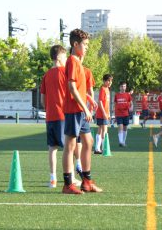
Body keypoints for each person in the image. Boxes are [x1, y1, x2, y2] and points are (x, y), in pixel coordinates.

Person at [62, 29, 102, 194]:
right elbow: (71, 88)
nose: (87, 47)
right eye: (84, 44)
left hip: (81, 110)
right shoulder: (71, 61)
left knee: (88, 142)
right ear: (75, 44)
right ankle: (68, 184)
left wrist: (89, 98)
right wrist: (85, 107)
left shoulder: (78, 62)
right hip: (74, 110)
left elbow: (78, 87)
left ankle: (87, 181)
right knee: (70, 146)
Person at [40, 45, 82, 188]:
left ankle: (53, 179)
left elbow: (42, 99)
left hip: (50, 116)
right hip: (63, 115)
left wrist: (49, 109)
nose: (66, 60)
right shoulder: (64, 72)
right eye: (65, 57)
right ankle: (71, 178)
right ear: (59, 58)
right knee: (68, 149)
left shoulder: (46, 75)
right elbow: (72, 89)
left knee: (52, 148)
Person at [94, 74, 113, 154]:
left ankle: (98, 148)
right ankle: (102, 148)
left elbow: (107, 104)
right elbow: (100, 102)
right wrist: (104, 113)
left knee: (101, 130)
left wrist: (108, 113)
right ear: (104, 81)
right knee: (104, 130)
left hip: (104, 113)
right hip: (101, 113)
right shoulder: (103, 89)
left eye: (111, 81)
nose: (110, 82)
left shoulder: (107, 89)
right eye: (108, 80)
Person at [114, 81, 133, 147]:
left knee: (125, 128)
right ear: (119, 87)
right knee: (120, 127)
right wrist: (115, 114)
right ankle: (120, 142)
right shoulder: (117, 95)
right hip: (119, 114)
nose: (123, 88)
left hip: (126, 114)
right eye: (122, 86)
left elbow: (131, 103)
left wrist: (131, 108)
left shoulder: (128, 95)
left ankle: (123, 141)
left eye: (124, 86)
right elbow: (115, 104)